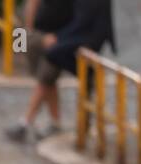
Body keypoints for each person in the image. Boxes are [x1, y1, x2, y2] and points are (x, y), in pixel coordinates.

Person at [6, 0, 114, 142]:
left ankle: (27, 122)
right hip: (55, 36)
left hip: (62, 38)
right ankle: (51, 122)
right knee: (46, 78)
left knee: (46, 75)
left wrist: (56, 37)